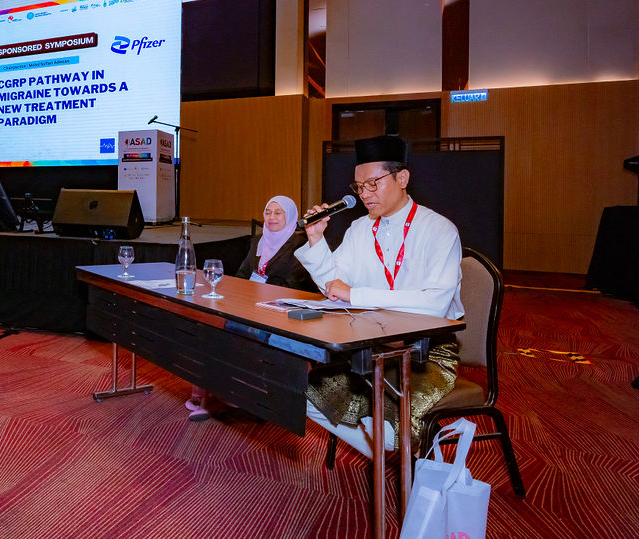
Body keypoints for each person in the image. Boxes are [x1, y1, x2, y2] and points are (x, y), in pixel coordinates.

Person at [294, 135, 464, 456]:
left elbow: (436, 304)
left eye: (373, 183)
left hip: (425, 353)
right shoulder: (360, 228)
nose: (365, 194)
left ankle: (392, 452)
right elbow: (335, 288)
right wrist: (316, 239)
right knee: (302, 395)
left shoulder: (439, 229)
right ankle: (394, 457)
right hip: (370, 348)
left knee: (387, 430)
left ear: (402, 178)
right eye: (359, 187)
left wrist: (356, 294)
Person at [186, 195, 317, 422]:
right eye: (268, 212)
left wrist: (256, 290)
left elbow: (293, 286)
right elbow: (242, 275)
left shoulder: (301, 245)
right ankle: (213, 396)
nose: (272, 217)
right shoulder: (259, 241)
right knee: (211, 328)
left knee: (233, 334)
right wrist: (240, 293)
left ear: (290, 217)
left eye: (278, 213)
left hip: (282, 314)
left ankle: (232, 395)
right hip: (252, 307)